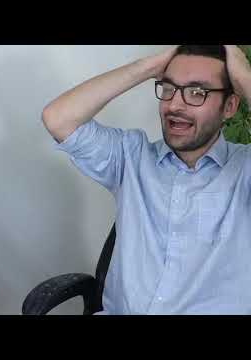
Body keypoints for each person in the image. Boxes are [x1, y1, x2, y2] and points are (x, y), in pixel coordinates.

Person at [42, 45, 251, 314]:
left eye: (197, 93)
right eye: (168, 88)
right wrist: (148, 67)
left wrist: (243, 75)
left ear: (230, 106)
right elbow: (57, 118)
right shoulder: (131, 157)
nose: (175, 105)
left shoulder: (244, 169)